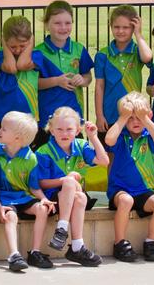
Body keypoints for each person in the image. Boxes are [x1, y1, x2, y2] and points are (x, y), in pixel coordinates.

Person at [36, 107, 108, 266]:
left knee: (80, 195)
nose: (64, 133)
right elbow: (41, 183)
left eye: (69, 129)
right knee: (73, 186)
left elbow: (104, 161)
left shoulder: (81, 146)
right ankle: (74, 242)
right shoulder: (44, 151)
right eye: (59, 129)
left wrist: (94, 137)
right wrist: (65, 180)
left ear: (77, 131)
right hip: (53, 198)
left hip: (75, 197)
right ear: (52, 131)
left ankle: (70, 239)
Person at [0, 111, 55, 271]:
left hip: (23, 198)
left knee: (42, 209)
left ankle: (35, 252)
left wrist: (44, 199)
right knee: (10, 216)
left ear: (17, 138)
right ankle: (14, 255)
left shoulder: (31, 158)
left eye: (3, 129)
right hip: (4, 199)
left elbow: (33, 187)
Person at [104, 92, 154, 262]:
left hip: (144, 190)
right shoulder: (120, 135)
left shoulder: (150, 136)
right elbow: (109, 140)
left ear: (149, 115)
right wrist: (123, 117)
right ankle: (120, 243)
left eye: (139, 117)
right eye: (130, 118)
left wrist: (145, 118)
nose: (135, 122)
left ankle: (151, 241)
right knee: (126, 201)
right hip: (120, 191)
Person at [36, 0, 94, 145]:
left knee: (74, 159)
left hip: (73, 117)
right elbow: (33, 84)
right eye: (57, 23)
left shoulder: (78, 49)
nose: (63, 27)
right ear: (46, 24)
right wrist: (56, 81)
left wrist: (83, 79)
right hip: (46, 117)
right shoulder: (37, 52)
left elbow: (88, 76)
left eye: (68, 23)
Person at [94, 5, 152, 140]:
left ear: (133, 27)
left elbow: (148, 57)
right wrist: (99, 115)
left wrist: (138, 34)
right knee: (109, 155)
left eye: (126, 27)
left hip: (133, 115)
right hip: (109, 114)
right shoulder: (103, 55)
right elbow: (99, 86)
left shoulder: (137, 50)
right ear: (111, 26)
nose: (120, 31)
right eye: (116, 27)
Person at [0, 15, 43, 148]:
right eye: (12, 46)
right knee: (1, 153)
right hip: (3, 115)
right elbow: (11, 68)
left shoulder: (36, 55)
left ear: (30, 40)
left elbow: (22, 64)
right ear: (5, 42)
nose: (17, 50)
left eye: (22, 45)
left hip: (27, 114)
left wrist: (30, 44)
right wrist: (5, 45)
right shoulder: (0, 54)